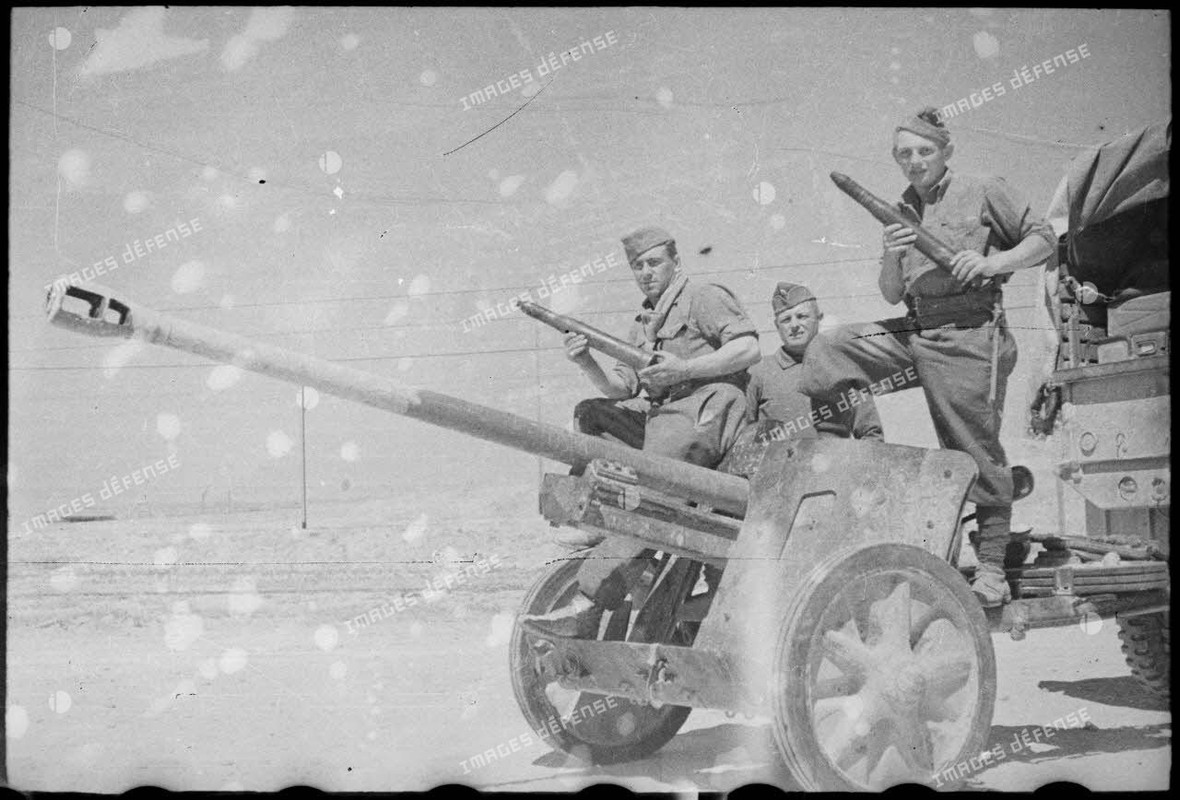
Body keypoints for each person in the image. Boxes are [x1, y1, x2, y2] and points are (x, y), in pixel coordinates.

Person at [797, 108, 1056, 607]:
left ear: (946, 152)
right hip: (916, 326)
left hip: (969, 332)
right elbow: (892, 295)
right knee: (831, 347)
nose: (914, 162)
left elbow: (1043, 237)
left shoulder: (983, 190)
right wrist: (892, 253)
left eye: (924, 151)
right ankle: (839, 463)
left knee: (972, 448)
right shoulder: (901, 209)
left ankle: (992, 569)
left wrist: (992, 261)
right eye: (903, 155)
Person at [523, 225, 760, 638]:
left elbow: (748, 348)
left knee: (652, 489)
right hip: (664, 416)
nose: (645, 272)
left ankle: (589, 604)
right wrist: (585, 362)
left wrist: (684, 369)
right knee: (592, 414)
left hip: (706, 409)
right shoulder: (644, 321)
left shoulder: (703, 297)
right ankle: (598, 516)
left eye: (653, 262)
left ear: (675, 261)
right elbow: (621, 388)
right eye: (637, 266)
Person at [746, 281, 883, 442]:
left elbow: (871, 435)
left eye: (802, 316)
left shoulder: (845, 369)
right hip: (778, 465)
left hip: (833, 465)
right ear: (777, 326)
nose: (794, 325)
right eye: (786, 320)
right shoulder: (759, 373)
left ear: (819, 318)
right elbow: (742, 436)